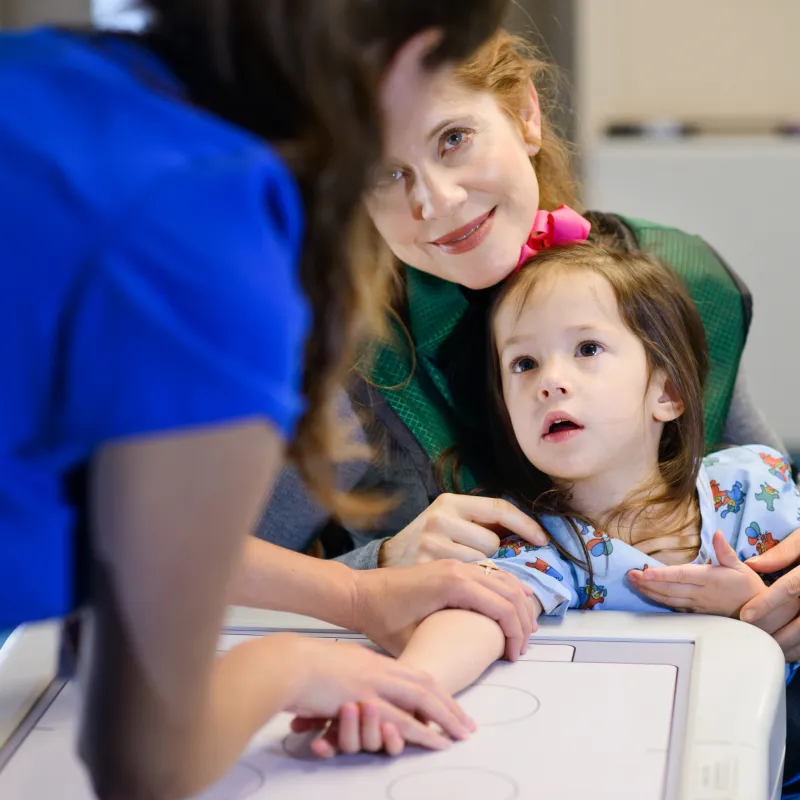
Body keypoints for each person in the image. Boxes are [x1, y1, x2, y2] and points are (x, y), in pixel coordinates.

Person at [0, 2, 540, 797]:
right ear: (408, 54)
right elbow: (145, 758)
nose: (431, 195)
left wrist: (356, 594)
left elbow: (117, 527)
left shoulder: (45, 79)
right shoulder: (212, 240)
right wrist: (297, 664)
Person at [250, 29, 791, 607]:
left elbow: (775, 502)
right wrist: (379, 566)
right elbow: (194, 570)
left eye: (453, 138)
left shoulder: (670, 279)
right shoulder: (356, 356)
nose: (435, 202)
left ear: (526, 114)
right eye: (386, 175)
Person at [328, 240, 800, 761]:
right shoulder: (539, 538)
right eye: (524, 363)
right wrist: (407, 688)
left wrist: (751, 605)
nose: (550, 382)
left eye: (588, 349)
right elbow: (478, 616)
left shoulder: (754, 483)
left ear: (666, 392)